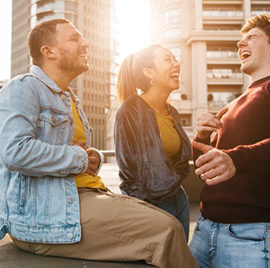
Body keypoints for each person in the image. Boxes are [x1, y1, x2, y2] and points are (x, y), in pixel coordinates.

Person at [0, 19, 199, 268]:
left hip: (85, 197)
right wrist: (79, 158)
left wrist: (92, 158)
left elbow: (73, 155)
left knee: (166, 223)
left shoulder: (70, 99)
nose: (85, 43)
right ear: (48, 51)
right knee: (166, 229)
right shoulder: (23, 88)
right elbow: (14, 152)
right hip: (47, 217)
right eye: (74, 39)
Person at [189, 14, 270, 267]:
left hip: (250, 234)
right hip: (204, 229)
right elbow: (207, 167)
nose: (241, 44)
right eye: (241, 40)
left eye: (251, 37)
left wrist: (234, 159)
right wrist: (202, 136)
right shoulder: (231, 105)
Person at [114, 45, 191, 240]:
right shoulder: (131, 110)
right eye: (168, 59)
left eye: (176, 59)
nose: (176, 64)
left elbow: (177, 160)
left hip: (179, 200)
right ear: (149, 72)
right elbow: (129, 173)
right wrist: (143, 216)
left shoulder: (172, 112)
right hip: (151, 207)